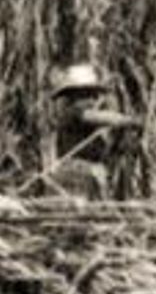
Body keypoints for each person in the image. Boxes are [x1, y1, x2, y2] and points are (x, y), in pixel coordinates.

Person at [42, 63, 141, 199]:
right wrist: (129, 120)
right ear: (75, 96)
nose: (92, 99)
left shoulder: (85, 121)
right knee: (97, 176)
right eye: (87, 95)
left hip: (90, 167)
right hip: (77, 166)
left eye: (93, 95)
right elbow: (104, 118)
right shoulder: (72, 113)